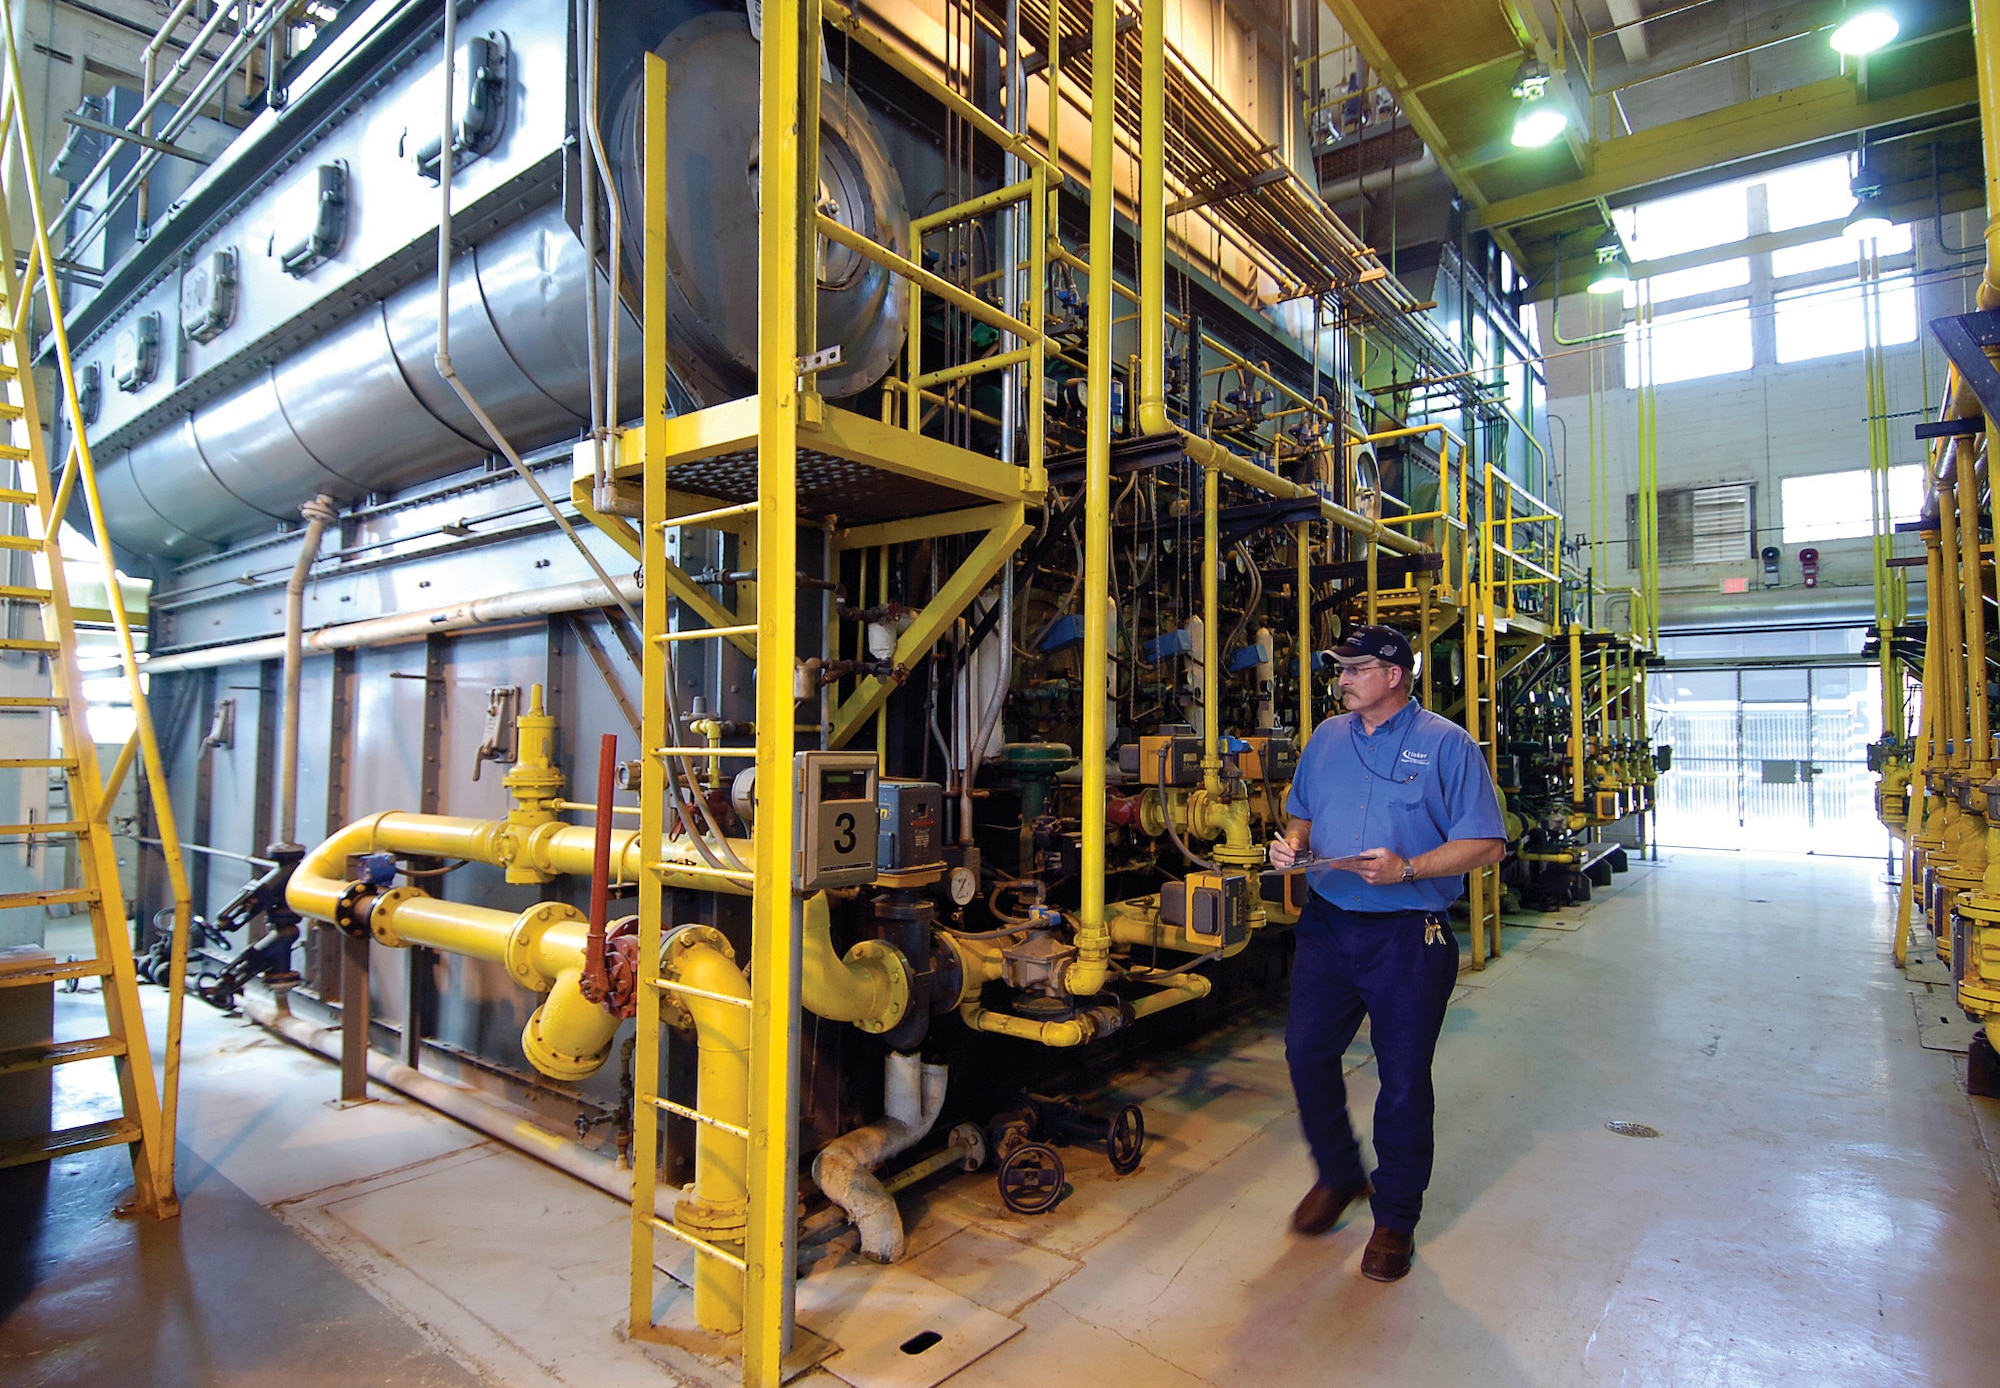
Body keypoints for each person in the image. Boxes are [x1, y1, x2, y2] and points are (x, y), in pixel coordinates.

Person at [1268, 623, 1506, 1281]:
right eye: (1339, 670)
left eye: (1354, 669)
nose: (1341, 679)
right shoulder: (1325, 739)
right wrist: (1288, 847)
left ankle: (1396, 1219)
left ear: (1394, 675)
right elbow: (1301, 816)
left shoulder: (1447, 746)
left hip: (1407, 935)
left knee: (1401, 1082)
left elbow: (1487, 844)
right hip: (1328, 925)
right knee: (1307, 1053)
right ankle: (1340, 1174)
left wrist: (1409, 868)